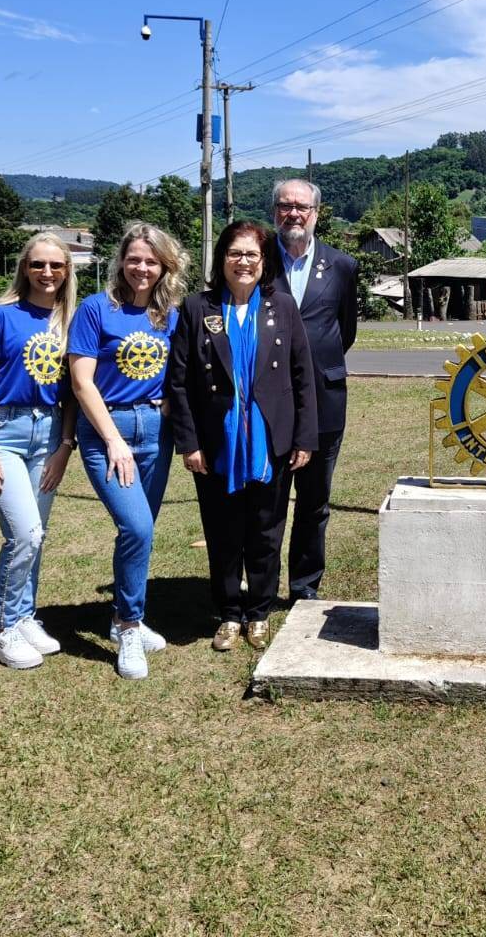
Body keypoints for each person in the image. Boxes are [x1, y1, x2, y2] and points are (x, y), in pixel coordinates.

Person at [167, 221, 318, 653]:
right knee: (223, 530)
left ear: (264, 260)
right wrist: (189, 442)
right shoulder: (198, 308)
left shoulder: (282, 307)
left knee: (267, 530)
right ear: (222, 258)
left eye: (252, 254)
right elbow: (179, 382)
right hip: (216, 442)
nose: (244, 262)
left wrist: (304, 438)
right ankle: (230, 613)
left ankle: (259, 613)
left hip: (272, 440)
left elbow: (301, 377)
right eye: (236, 253)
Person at [67, 222, 187, 679]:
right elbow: (81, 382)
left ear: (164, 267)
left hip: (157, 429)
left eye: (151, 261)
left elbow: (179, 373)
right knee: (136, 527)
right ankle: (129, 624)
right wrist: (113, 439)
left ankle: (122, 617)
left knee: (140, 531)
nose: (142, 267)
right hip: (108, 430)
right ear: (122, 261)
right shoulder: (97, 310)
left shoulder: (170, 315)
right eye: (134, 259)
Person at [0, 233, 79, 670]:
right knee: (24, 533)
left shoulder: (71, 320)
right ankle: (1, 630)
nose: (47, 273)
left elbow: (72, 392)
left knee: (38, 534)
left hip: (49, 434)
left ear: (68, 270)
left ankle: (24, 615)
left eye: (56, 265)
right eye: (38, 264)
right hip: (2, 431)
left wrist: (65, 446)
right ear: (24, 267)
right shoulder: (0, 315)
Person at [269, 178, 358, 603]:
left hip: (325, 399)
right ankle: (262, 589)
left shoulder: (342, 266)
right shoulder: (255, 261)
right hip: (267, 403)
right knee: (267, 503)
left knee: (314, 502)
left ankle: (304, 588)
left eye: (301, 207)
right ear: (275, 212)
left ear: (316, 213)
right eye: (285, 206)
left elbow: (345, 331)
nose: (293, 214)